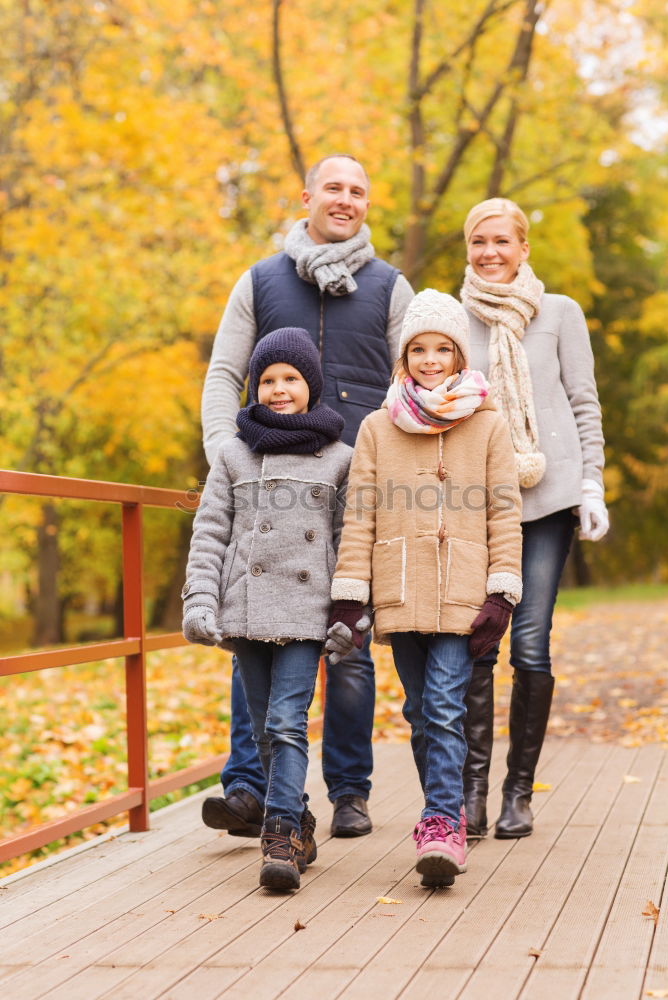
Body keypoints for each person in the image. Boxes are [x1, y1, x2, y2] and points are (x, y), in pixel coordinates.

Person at [200, 154, 414, 839]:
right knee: (254, 634)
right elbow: (224, 373)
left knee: (348, 646)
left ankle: (350, 790)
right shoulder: (261, 280)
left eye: (358, 189)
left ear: (367, 203)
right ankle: (248, 789)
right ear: (307, 196)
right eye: (334, 188)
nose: (345, 199)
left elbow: (413, 383)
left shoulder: (389, 287)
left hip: (351, 495)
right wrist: (226, 463)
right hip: (265, 493)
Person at [327, 289, 523, 886]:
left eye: (443, 348)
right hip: (399, 587)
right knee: (421, 710)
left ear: (460, 357)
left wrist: (501, 593)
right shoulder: (376, 428)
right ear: (403, 356)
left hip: (465, 593)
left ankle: (441, 823)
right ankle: (447, 813)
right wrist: (349, 593)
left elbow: (504, 512)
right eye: (419, 349)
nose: (431, 359)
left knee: (442, 706)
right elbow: (359, 513)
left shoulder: (488, 425)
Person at [458, 197, 608, 840]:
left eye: (501, 242)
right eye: (478, 243)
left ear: (523, 248)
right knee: (477, 645)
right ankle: (470, 794)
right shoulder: (450, 317)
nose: (490, 253)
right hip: (477, 503)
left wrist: (592, 484)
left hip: (546, 502)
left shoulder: (560, 313)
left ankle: (519, 791)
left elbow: (583, 402)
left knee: (530, 644)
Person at [182, 328, 352, 890]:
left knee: (286, 723)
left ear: (312, 386)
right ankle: (299, 817)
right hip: (247, 609)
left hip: (306, 610)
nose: (280, 389)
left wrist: (353, 611)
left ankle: (278, 832)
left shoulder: (339, 458)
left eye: (291, 379)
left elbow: (350, 539)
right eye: (269, 380)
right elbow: (210, 532)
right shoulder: (234, 453)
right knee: (261, 729)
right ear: (255, 388)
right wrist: (201, 597)